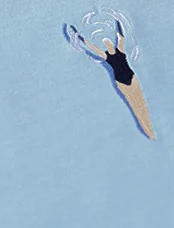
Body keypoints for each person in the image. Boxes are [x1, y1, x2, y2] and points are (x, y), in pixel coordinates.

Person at [65, 12, 155, 141]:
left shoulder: (120, 50)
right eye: (107, 44)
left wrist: (118, 22)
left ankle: (150, 129)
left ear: (112, 44)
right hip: (121, 82)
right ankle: (148, 133)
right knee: (134, 105)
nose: (108, 44)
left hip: (131, 77)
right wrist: (79, 37)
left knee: (141, 103)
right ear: (106, 47)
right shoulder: (106, 55)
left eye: (109, 43)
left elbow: (121, 37)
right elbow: (92, 47)